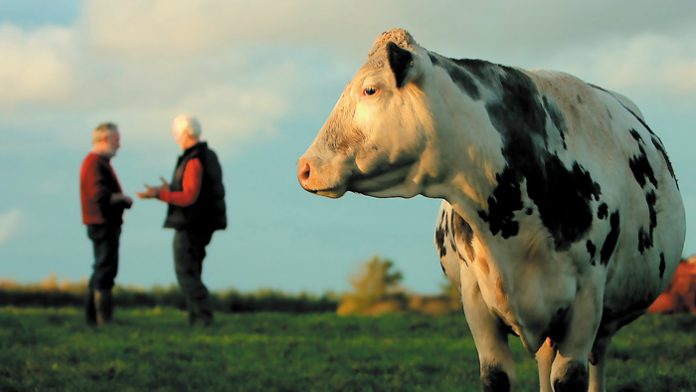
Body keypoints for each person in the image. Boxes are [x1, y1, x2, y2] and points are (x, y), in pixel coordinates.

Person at [137, 114, 227, 326]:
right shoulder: (207, 155)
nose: (175, 137)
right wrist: (170, 189)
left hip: (191, 225)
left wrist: (159, 194)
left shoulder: (194, 158)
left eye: (176, 133)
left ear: (185, 133)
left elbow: (189, 197)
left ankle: (203, 319)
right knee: (193, 272)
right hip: (203, 224)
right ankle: (197, 320)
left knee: (185, 273)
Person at [79, 122, 133, 325]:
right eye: (116, 140)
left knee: (102, 269)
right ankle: (102, 321)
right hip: (102, 223)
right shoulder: (94, 163)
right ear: (103, 140)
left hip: (101, 222)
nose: (119, 144)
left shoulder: (97, 162)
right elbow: (98, 195)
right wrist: (122, 199)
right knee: (104, 270)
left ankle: (95, 320)